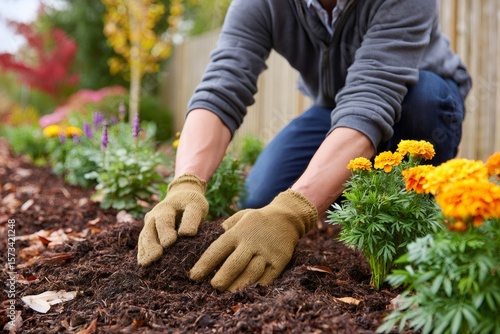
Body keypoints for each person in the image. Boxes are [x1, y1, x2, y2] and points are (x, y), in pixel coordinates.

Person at [137, 0, 472, 292]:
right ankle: (346, 184)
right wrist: (186, 183)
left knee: (424, 104)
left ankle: (410, 222)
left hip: (418, 95)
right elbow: (222, 86)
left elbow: (371, 99)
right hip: (334, 107)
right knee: (260, 199)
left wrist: (293, 212)